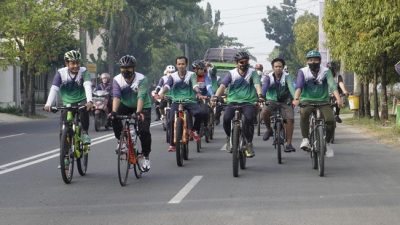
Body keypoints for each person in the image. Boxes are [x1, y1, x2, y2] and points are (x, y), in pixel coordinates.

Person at [292, 50, 343, 158]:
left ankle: (328, 144)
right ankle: (305, 139)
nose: (313, 62)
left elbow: (332, 86)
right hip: (307, 100)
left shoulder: (326, 71)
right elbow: (299, 86)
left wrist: (338, 99)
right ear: (307, 62)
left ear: (320, 61)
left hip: (323, 101)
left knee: (330, 121)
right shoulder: (303, 71)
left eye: (315, 60)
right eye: (310, 60)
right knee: (304, 114)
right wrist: (296, 98)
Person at [212, 51, 264, 158]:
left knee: (249, 118)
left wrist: (260, 95)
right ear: (237, 63)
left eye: (246, 62)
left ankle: (249, 143)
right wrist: (216, 97)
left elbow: (257, 84)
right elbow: (222, 86)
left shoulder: (252, 73)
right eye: (241, 62)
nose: (244, 64)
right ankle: (228, 137)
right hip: (233, 101)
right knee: (226, 118)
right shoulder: (231, 73)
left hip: (248, 102)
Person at [110, 55, 152, 171]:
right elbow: (117, 96)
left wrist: (138, 112)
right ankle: (121, 141)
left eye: (128, 68)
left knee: (144, 131)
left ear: (134, 68)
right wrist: (114, 112)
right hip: (126, 105)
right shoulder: (117, 79)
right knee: (113, 117)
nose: (126, 70)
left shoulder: (141, 79)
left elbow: (141, 96)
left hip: (143, 106)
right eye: (123, 68)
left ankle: (145, 156)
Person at [157, 56, 208, 152]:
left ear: (186, 65)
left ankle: (193, 130)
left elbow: (195, 85)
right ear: (176, 65)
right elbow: (167, 85)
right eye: (179, 64)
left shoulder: (191, 75)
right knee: (171, 120)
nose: (181, 66)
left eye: (183, 64)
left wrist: (198, 93)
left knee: (200, 113)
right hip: (176, 101)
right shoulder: (172, 76)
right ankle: (172, 144)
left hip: (190, 101)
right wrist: (162, 93)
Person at [44, 50, 93, 145]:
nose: (76, 66)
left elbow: (87, 85)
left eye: (77, 63)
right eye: (73, 63)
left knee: (84, 111)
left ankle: (85, 133)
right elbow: (54, 88)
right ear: (67, 63)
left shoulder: (84, 71)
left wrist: (90, 101)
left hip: (82, 99)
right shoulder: (60, 73)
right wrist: (48, 104)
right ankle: (65, 150)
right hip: (68, 102)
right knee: (64, 127)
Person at [261, 57, 296, 152]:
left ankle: (288, 143)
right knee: (264, 112)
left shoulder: (287, 77)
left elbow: (291, 88)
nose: (278, 68)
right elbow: (264, 88)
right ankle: (269, 130)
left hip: (285, 102)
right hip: (272, 101)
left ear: (283, 67)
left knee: (290, 119)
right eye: (276, 66)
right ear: (273, 67)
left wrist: (295, 98)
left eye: (280, 66)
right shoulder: (268, 77)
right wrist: (261, 96)